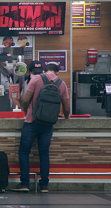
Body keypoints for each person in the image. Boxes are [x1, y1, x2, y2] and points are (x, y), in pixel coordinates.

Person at [11, 63, 70, 193]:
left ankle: (25, 183)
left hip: (32, 122)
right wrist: (66, 118)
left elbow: (26, 100)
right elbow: (66, 107)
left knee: (24, 152)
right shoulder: (62, 83)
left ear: (44, 70)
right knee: (44, 153)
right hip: (48, 124)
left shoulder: (36, 79)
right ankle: (44, 185)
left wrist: (26, 112)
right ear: (57, 72)